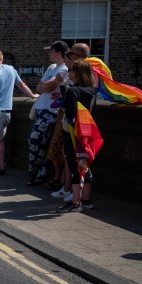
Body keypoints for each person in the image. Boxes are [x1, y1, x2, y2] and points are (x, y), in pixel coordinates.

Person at [0, 49, 39, 175]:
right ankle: (1, 164)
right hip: (6, 111)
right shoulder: (11, 69)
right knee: (1, 140)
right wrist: (32, 95)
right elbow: (22, 85)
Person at [57, 60, 99, 212]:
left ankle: (75, 202)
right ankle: (86, 200)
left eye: (71, 70)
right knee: (84, 164)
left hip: (73, 133)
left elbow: (71, 113)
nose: (69, 73)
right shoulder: (92, 90)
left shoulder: (73, 91)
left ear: (78, 72)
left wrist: (63, 103)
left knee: (74, 165)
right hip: (88, 132)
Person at [27, 41, 69, 186]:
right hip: (41, 109)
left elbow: (47, 86)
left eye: (51, 51)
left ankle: (40, 173)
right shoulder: (52, 67)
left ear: (58, 52)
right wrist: (44, 86)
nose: (49, 54)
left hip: (51, 112)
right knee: (40, 143)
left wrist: (45, 86)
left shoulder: (64, 68)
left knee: (36, 140)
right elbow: (40, 87)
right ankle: (38, 173)